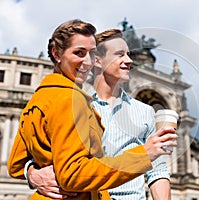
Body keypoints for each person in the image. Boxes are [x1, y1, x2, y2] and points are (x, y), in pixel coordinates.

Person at [7, 19, 177, 200]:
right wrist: (32, 174)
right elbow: (69, 170)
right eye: (119, 54)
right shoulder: (73, 101)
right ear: (98, 61)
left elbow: (158, 170)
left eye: (128, 54)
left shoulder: (145, 112)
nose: (129, 61)